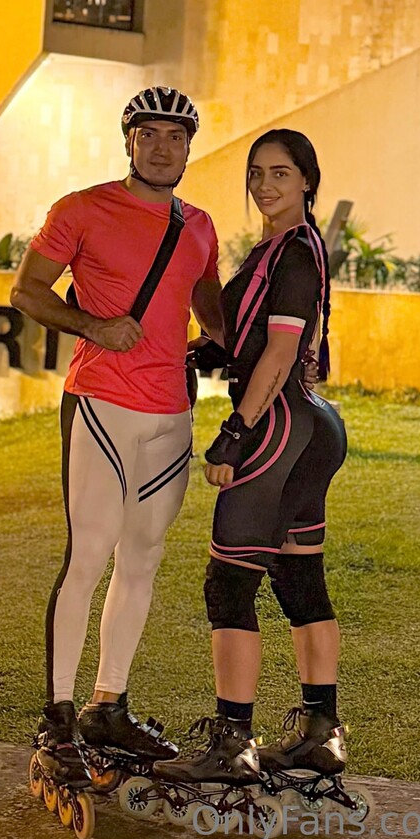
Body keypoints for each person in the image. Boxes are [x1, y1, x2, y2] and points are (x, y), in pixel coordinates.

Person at [11, 86, 224, 783]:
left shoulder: (199, 226)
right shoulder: (80, 209)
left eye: (175, 137)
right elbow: (27, 291)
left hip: (171, 414)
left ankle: (108, 705)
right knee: (88, 555)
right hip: (100, 403)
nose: (162, 148)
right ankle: (57, 721)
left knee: (143, 559)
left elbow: (212, 312)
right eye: (149, 134)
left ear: (188, 148)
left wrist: (250, 344)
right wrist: (94, 326)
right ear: (128, 141)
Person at [155, 128, 349, 792]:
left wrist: (237, 433)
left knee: (229, 584)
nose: (265, 185)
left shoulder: (292, 255)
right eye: (257, 173)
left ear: (307, 181)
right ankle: (321, 734)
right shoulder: (283, 247)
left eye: (281, 174)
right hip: (311, 423)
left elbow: (281, 352)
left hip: (279, 425)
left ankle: (232, 744)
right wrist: (198, 351)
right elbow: (252, 337)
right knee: (298, 580)